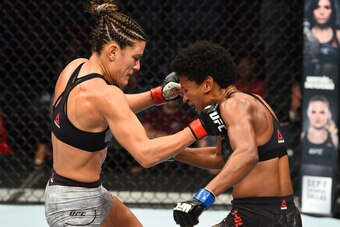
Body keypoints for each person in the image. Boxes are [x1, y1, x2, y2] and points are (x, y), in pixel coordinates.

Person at [44, 1, 224, 226]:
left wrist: (158, 95)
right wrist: (201, 126)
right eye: (135, 58)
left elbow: (109, 108)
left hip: (70, 192)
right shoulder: (107, 95)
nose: (138, 66)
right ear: (112, 51)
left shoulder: (75, 68)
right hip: (76, 208)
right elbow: (146, 155)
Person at [170, 41, 302, 226]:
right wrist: (170, 153)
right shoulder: (253, 101)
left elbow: (247, 154)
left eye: (186, 90)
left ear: (207, 84)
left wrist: (203, 198)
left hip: (255, 216)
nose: (184, 98)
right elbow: (220, 158)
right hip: (287, 213)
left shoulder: (232, 106)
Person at [304, 0, 340, 78]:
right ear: (312, 10)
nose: (321, 12)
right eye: (317, 7)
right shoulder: (305, 34)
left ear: (332, 11)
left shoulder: (338, 34)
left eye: (326, 7)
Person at [301, 95, 338, 162]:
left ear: (329, 114)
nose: (317, 117)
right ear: (308, 113)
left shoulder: (334, 138)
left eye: (322, 112)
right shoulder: (302, 136)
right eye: (313, 112)